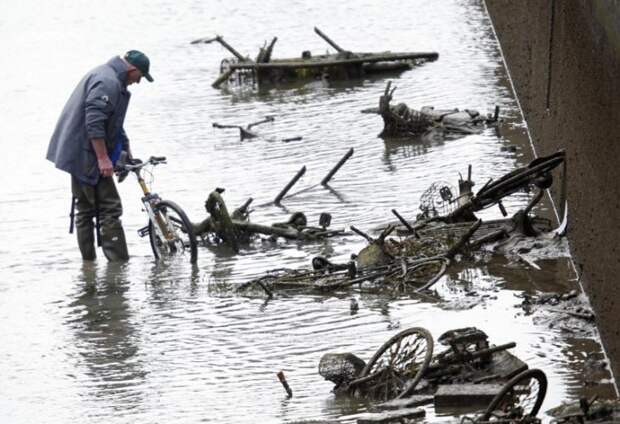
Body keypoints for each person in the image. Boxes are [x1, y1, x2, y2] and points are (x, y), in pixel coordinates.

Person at [47, 50, 154, 261]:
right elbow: (94, 122)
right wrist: (103, 158)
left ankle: (90, 268)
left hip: (80, 151)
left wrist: (127, 152)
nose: (138, 82)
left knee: (85, 208)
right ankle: (119, 266)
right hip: (85, 154)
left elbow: (113, 124)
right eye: (140, 77)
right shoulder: (107, 82)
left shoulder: (110, 77)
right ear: (132, 69)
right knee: (110, 207)